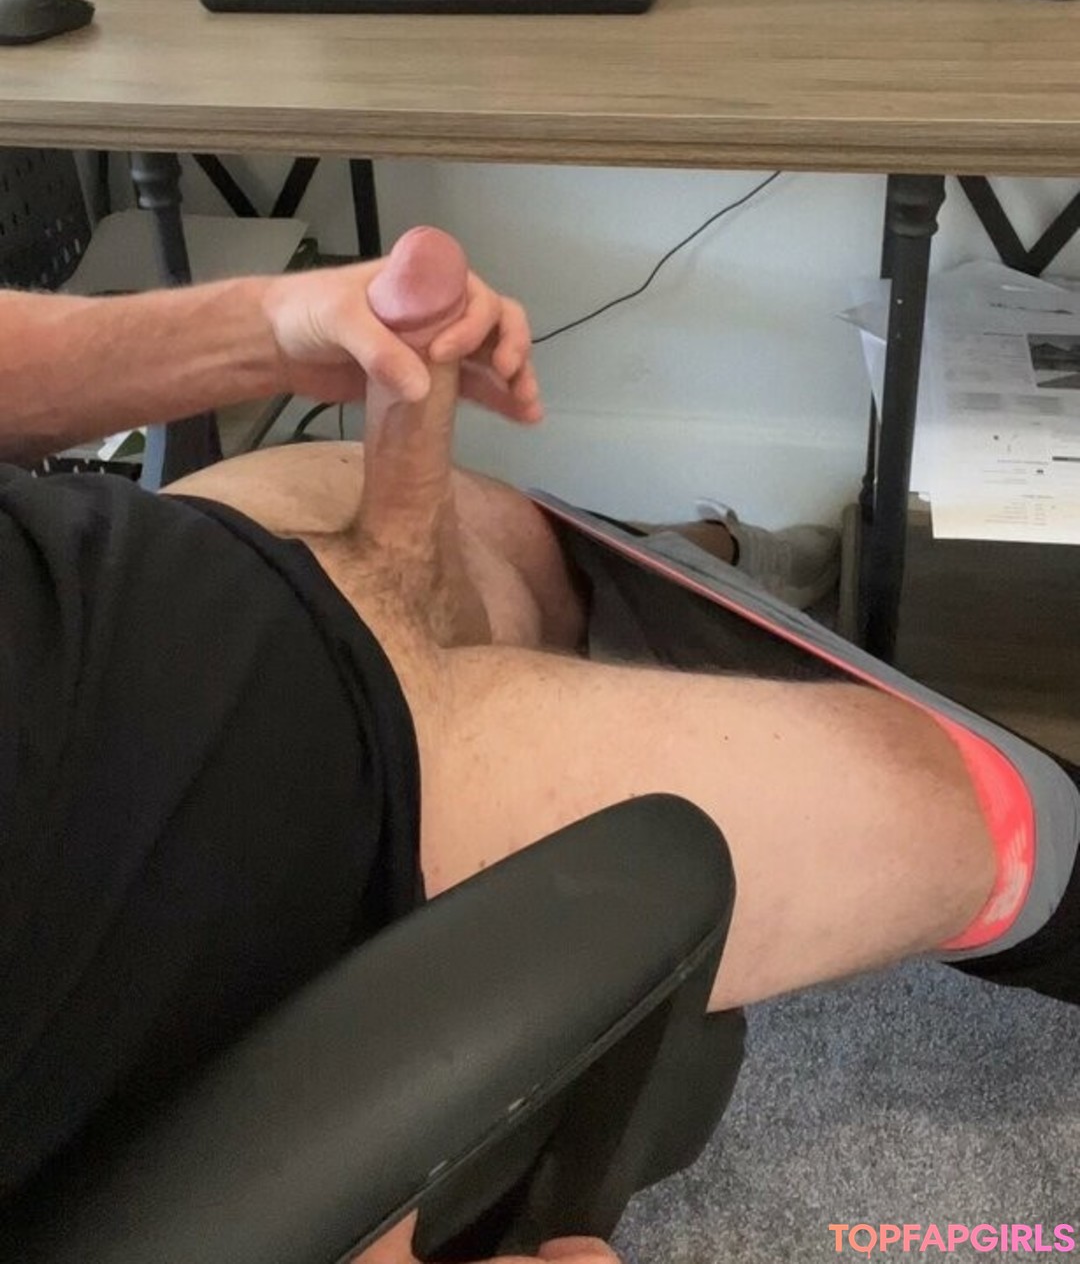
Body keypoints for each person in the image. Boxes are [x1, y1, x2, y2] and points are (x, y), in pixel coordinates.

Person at [1, 230, 1078, 1251]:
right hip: (315, 829)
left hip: (155, 565)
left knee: (547, 559)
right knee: (1006, 819)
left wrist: (260, 329)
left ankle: (711, 564)